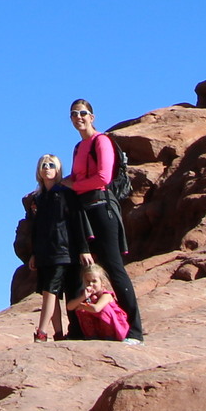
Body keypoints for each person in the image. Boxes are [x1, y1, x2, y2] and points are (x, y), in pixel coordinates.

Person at [66, 98, 145, 341]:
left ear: (92, 116)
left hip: (103, 209)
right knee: (80, 267)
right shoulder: (79, 148)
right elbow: (76, 178)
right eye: (73, 114)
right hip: (84, 210)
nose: (78, 117)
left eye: (82, 113)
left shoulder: (102, 141)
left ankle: (135, 330)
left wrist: (74, 186)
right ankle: (81, 329)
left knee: (113, 266)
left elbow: (103, 177)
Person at [17, 153, 88, 341]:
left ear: (58, 170)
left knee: (50, 290)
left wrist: (84, 248)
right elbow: (36, 228)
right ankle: (58, 333)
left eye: (51, 165)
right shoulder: (38, 199)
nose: (47, 168)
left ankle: (41, 332)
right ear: (39, 171)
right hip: (44, 252)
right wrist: (34, 254)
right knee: (50, 292)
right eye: (43, 165)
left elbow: (77, 220)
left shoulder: (65, 193)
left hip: (63, 250)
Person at [66, 257, 131, 341]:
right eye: (87, 281)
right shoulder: (86, 294)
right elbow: (69, 307)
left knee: (103, 308)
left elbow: (97, 308)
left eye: (94, 281)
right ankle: (92, 335)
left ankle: (109, 336)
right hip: (98, 328)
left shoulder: (106, 295)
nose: (90, 284)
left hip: (115, 328)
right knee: (82, 310)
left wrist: (81, 305)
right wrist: (82, 298)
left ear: (102, 282)